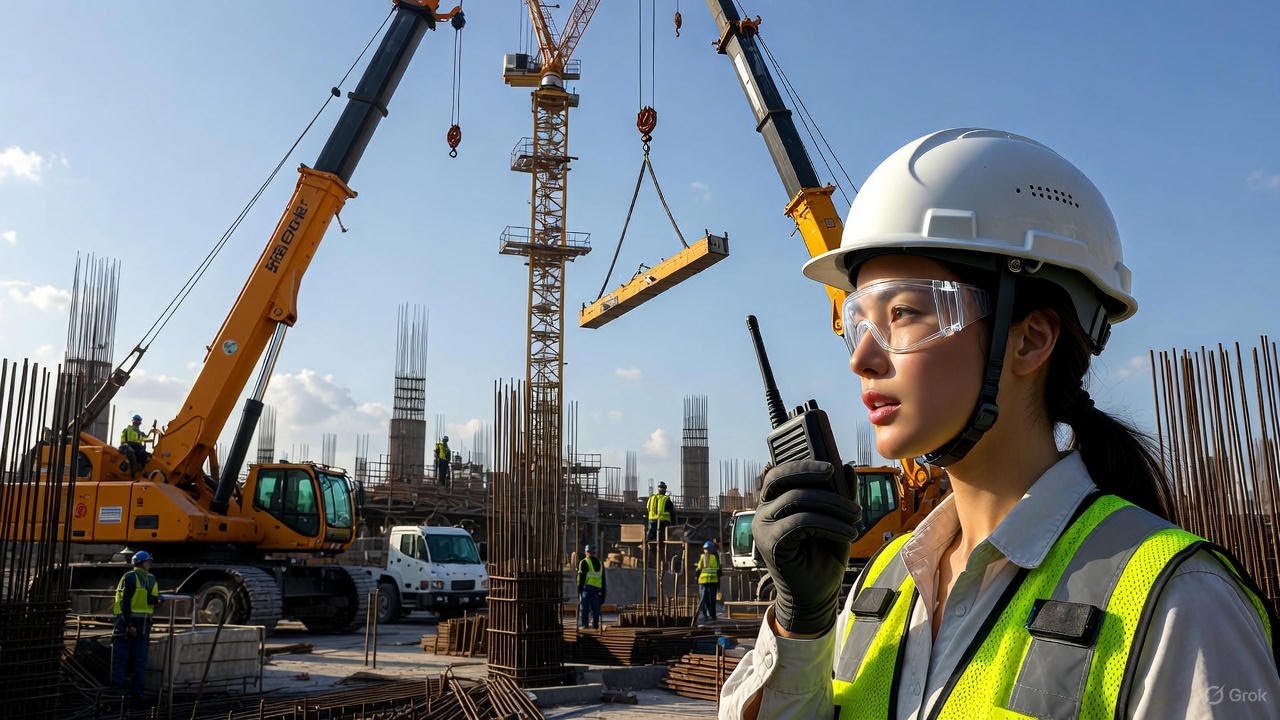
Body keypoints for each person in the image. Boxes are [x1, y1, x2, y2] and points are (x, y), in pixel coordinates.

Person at [720, 129, 1280, 719]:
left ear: (1031, 339)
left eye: (904, 312)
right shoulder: (882, 590)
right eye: (861, 321)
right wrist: (801, 629)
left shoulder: (1181, 608)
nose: (861, 357)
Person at [111, 550, 160, 706]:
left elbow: (126, 603)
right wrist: (130, 624)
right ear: (142, 563)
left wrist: (128, 624)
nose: (150, 564)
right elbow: (151, 600)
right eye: (148, 561)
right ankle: (136, 697)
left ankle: (116, 697)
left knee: (121, 660)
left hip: (129, 623)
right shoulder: (147, 579)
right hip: (140, 623)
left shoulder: (131, 577)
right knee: (138, 661)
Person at [576, 544, 606, 629]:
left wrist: (579, 589)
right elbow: (603, 579)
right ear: (594, 552)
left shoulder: (584, 562)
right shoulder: (600, 563)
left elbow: (581, 577)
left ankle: (585, 625)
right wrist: (603, 593)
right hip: (597, 590)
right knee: (596, 609)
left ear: (586, 552)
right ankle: (595, 625)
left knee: (585, 608)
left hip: (587, 589)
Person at [696, 540, 721, 622]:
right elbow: (718, 569)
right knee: (712, 599)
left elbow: (699, 568)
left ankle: (705, 615)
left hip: (703, 581)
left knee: (703, 599)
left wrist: (696, 574)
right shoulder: (714, 557)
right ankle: (713, 615)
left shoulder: (702, 557)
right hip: (713, 581)